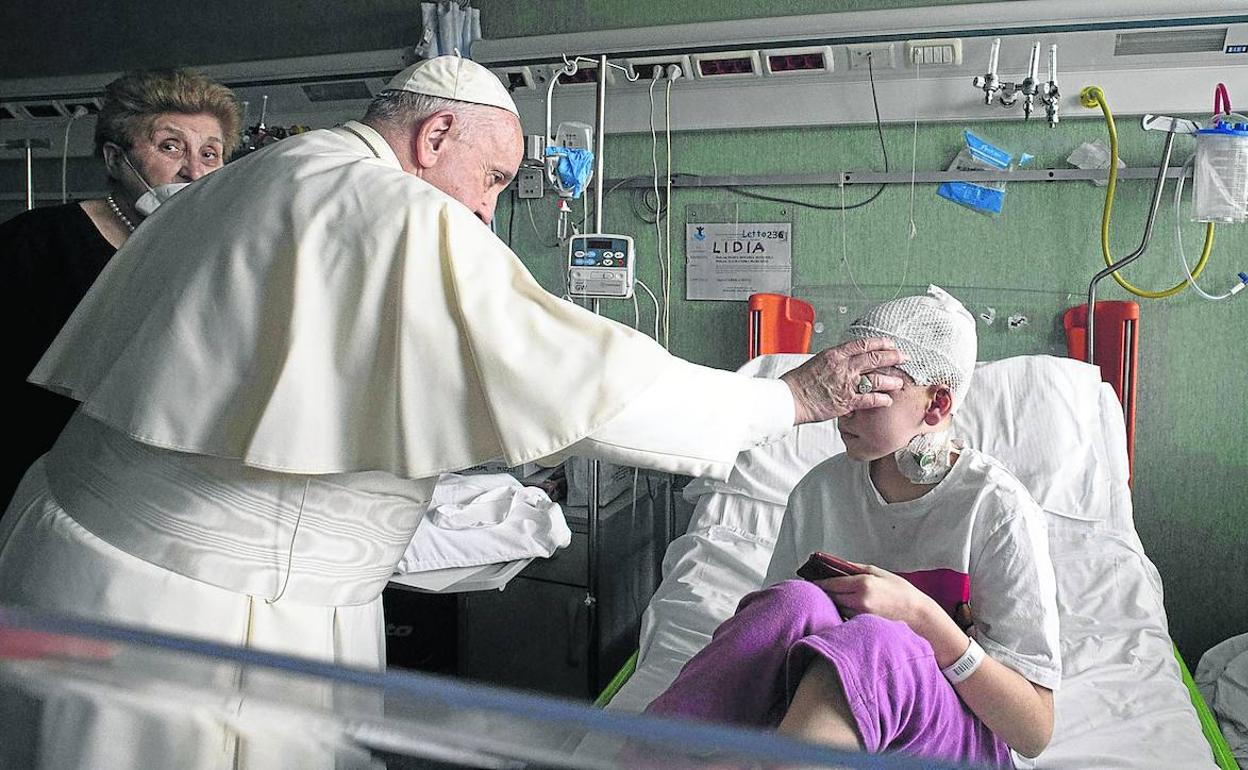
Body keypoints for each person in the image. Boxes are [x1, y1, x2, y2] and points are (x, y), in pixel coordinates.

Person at [0, 55, 906, 671]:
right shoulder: (393, 205)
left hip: (89, 559)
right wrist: (791, 396)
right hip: (189, 610)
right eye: (494, 179)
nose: (483, 212)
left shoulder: (264, 174)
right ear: (435, 138)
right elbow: (586, 380)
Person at [646, 286, 1061, 769]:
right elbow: (776, 648)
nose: (844, 403)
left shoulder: (996, 510)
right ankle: (646, 754)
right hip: (826, 724)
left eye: (869, 389)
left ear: (936, 406)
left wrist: (924, 619)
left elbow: (1033, 731)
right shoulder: (819, 492)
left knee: (875, 642)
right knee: (789, 603)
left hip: (950, 742)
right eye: (846, 382)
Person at [0, 68, 241, 508]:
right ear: (115, 159)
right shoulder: (35, 242)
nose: (193, 169)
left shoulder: (219, 259)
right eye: (170, 147)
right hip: (31, 475)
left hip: (136, 489)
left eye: (211, 153)